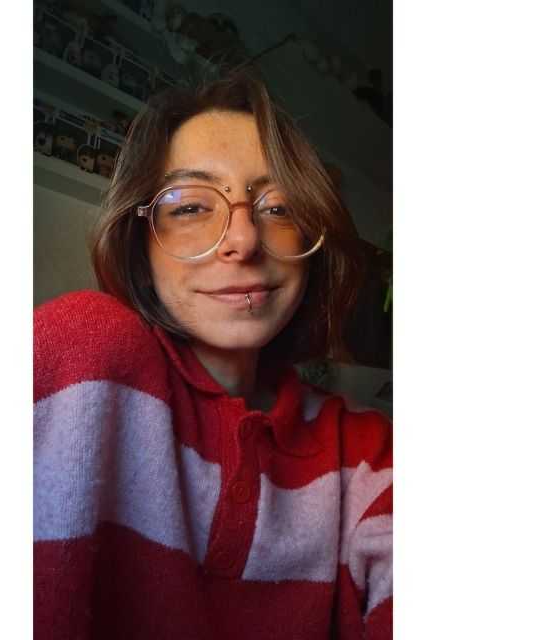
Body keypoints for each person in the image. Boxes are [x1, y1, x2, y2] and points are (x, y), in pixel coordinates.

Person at [34, 69, 392, 640]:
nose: (244, 241)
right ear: (140, 241)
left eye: (279, 207)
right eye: (190, 207)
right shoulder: (86, 354)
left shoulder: (366, 449)